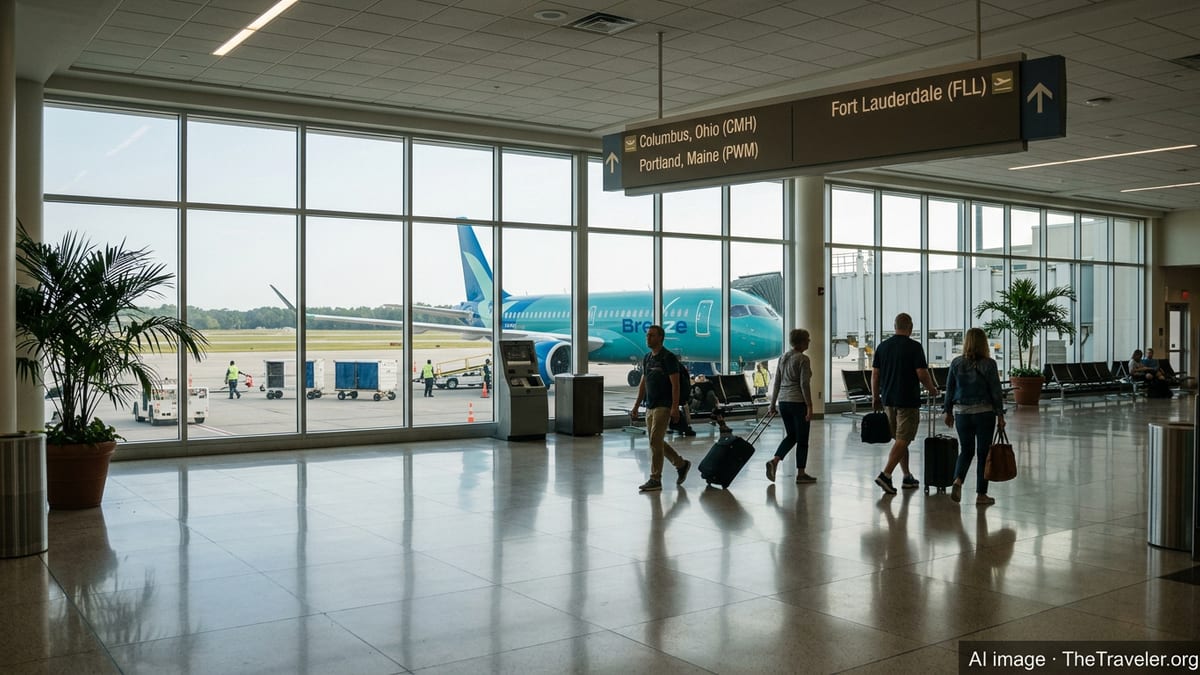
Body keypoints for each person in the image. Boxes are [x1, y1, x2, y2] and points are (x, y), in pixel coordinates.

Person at [872, 313, 939, 495]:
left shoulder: (883, 347)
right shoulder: (914, 347)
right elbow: (922, 373)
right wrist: (932, 389)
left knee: (900, 439)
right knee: (904, 438)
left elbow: (875, 375)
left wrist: (875, 396)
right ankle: (886, 474)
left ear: (895, 326)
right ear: (910, 327)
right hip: (907, 400)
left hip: (888, 400)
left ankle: (907, 476)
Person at [942, 327, 1006, 506]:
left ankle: (958, 480)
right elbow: (996, 392)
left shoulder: (956, 363)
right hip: (984, 414)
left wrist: (947, 411)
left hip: (962, 413)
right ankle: (981, 495)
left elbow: (950, 389)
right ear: (983, 343)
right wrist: (1000, 415)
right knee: (983, 453)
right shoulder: (989, 364)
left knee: (966, 450)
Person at [630, 325, 691, 492]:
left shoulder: (668, 358)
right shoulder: (647, 358)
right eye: (647, 335)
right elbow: (643, 383)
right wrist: (636, 406)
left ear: (660, 338)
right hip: (650, 405)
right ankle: (681, 464)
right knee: (655, 442)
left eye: (651, 335)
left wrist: (674, 407)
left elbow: (675, 385)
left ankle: (655, 478)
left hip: (664, 405)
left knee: (655, 441)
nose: (648, 338)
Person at [766, 329, 816, 484]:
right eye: (807, 339)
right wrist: (809, 405)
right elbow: (804, 384)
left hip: (784, 402)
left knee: (792, 436)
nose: (809, 341)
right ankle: (801, 474)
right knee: (802, 439)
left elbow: (777, 382)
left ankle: (775, 461)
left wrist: (773, 403)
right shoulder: (803, 359)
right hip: (797, 402)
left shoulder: (783, 357)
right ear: (801, 342)